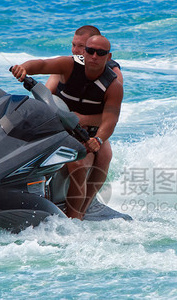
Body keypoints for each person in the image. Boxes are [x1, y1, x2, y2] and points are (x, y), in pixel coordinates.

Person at [11, 34, 123, 220]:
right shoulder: (69, 65)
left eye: (100, 53)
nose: (94, 56)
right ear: (84, 53)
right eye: (90, 51)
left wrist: (98, 139)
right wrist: (23, 68)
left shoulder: (113, 85)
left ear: (108, 57)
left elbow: (110, 119)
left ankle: (75, 218)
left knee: (81, 164)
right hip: (57, 126)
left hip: (86, 135)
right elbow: (42, 64)